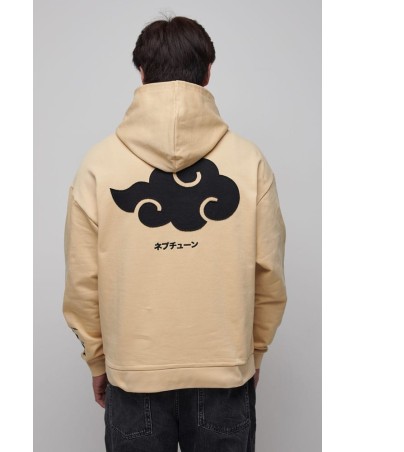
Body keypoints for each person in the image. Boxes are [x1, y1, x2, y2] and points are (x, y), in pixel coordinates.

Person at [63, 15, 287, 452]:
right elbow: (270, 272)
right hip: (224, 372)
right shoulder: (249, 162)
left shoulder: (98, 165)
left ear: (141, 73)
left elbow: (82, 280)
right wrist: (253, 352)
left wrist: (98, 359)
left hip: (134, 376)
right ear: (208, 73)